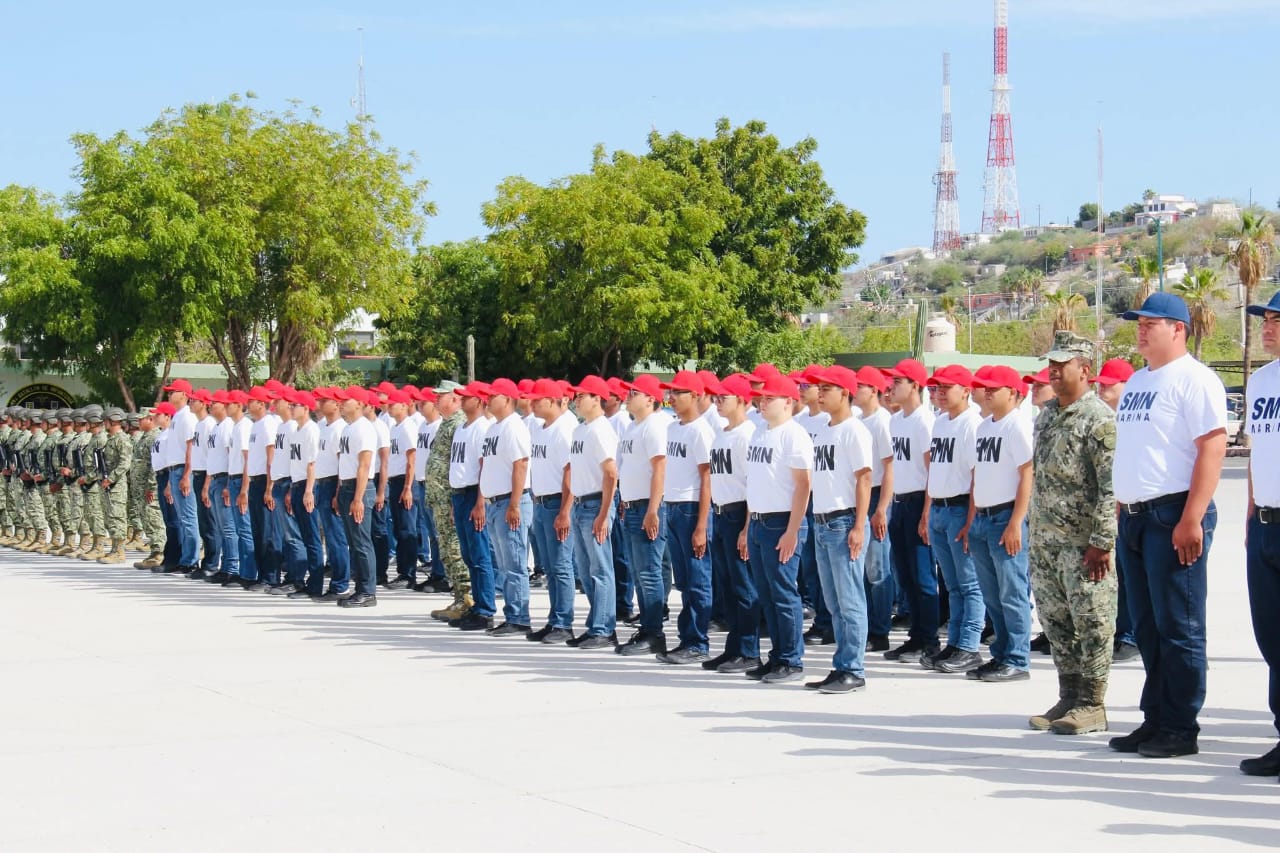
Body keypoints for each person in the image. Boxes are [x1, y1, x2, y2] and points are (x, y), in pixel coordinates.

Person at [1111, 293, 1226, 759]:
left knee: (1179, 625)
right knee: (1147, 626)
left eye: (1150, 323)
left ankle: (1180, 725)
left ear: (1178, 328)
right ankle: (1155, 716)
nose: (1140, 329)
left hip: (1173, 514)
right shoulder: (1138, 380)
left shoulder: (1195, 379)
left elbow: (1212, 447)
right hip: (1136, 516)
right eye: (1138, 323)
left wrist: (1192, 516)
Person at [1026, 332, 1119, 734]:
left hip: (1083, 545)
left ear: (1086, 370)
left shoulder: (1098, 419)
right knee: (1057, 622)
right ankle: (1069, 694)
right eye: (1052, 364)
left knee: (1092, 621)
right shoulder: (1046, 415)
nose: (1054, 371)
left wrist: (1102, 541)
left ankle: (1093, 703)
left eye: (1063, 365)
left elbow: (1109, 486)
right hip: (1046, 541)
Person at [804, 364, 874, 693]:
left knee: (850, 600)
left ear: (845, 393)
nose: (820, 393)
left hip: (843, 520)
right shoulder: (824, 429)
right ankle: (841, 664)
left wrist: (859, 525)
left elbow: (864, 478)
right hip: (821, 521)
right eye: (819, 388)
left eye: (827, 388)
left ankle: (853, 668)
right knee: (832, 602)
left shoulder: (853, 430)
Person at [742, 372, 814, 684]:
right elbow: (753, 484)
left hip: (781, 522)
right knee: (767, 595)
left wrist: (792, 530)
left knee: (784, 593)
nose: (762, 400)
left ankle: (791, 660)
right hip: (759, 521)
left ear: (787, 401)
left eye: (770, 397)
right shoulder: (760, 433)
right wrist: (747, 527)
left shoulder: (793, 435)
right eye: (762, 396)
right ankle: (777, 656)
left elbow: (803, 487)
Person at [967, 366, 1034, 682]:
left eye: (995, 388)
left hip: (1005, 516)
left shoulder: (1017, 425)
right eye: (986, 388)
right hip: (983, 516)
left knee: (1012, 591)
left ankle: (1018, 658)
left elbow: (1027, 474)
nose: (988, 392)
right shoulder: (984, 427)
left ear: (1014, 392)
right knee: (992, 594)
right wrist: (971, 520)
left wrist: (1016, 522)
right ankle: (1001, 653)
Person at [921, 365, 985, 674]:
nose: (941, 393)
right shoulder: (941, 423)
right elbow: (935, 468)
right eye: (938, 387)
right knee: (953, 584)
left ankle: (970, 646)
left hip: (960, 507)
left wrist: (970, 519)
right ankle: (956, 642)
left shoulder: (971, 424)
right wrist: (928, 511)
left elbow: (976, 477)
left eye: (948, 387)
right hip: (940, 509)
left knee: (969, 584)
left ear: (966, 390)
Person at [1242, 290, 1280, 778]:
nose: (1267, 326)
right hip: (1268, 523)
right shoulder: (1260, 381)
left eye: (1276, 319)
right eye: (1265, 319)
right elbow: (1258, 453)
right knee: (1272, 639)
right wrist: (1252, 515)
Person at [656, 370, 716, 664]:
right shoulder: (673, 428)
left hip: (693, 508)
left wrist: (702, 525)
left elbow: (707, 478)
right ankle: (686, 638)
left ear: (695, 396)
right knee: (683, 579)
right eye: (671, 393)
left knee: (697, 578)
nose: (672, 398)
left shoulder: (701, 430)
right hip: (674, 506)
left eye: (678, 393)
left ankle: (697, 641)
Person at [557, 375, 620, 649]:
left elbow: (610, 473)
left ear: (597, 399)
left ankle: (604, 628)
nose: (577, 399)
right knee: (585, 570)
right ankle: (596, 623)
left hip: (597, 503)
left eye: (582, 395)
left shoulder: (600, 429)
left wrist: (605, 514)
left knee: (600, 569)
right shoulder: (580, 430)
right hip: (582, 503)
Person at [883, 359, 938, 664]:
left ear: (915, 385)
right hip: (900, 502)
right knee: (905, 575)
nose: (892, 387)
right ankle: (915, 635)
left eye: (899, 381)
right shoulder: (896, 420)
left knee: (922, 576)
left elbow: (931, 469)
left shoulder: (923, 421)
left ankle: (928, 639)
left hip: (919, 500)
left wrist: (927, 512)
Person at [615, 374, 672, 657]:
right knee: (639, 572)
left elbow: (660, 469)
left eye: (634, 392)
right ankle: (648, 627)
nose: (629, 395)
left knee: (649, 572)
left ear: (651, 398)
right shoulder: (633, 427)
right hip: (632, 506)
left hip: (648, 507)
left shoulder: (654, 427)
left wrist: (653, 509)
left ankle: (654, 633)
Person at [473, 378, 534, 635]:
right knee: (504, 563)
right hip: (495, 502)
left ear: (507, 399)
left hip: (511, 501)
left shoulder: (513, 427)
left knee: (515, 562)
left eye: (493, 395)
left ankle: (519, 617)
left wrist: (514, 503)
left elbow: (520, 464)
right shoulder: (493, 428)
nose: (488, 399)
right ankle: (512, 613)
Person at [1093, 357, 1140, 664]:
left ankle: (1131, 636)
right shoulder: (1109, 421)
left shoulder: (1132, 421)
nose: (1102, 389)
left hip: (1136, 508)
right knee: (1120, 577)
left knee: (1134, 581)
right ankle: (1122, 632)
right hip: (1117, 507)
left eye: (1109, 384)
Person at [525, 378, 578, 644]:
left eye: (537, 399)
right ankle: (554, 619)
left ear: (551, 401)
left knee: (561, 565)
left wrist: (565, 511)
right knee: (550, 565)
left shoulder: (565, 428)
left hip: (559, 503)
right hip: (542, 502)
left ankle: (563, 622)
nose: (532, 403)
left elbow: (570, 472)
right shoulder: (542, 428)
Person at [450, 382, 497, 631]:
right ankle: (477, 604)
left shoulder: (482, 428)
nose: (460, 400)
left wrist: (480, 502)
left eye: (466, 397)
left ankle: (485, 609)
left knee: (479, 555)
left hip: (473, 494)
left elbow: (484, 468)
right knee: (468, 554)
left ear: (479, 401)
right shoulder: (462, 428)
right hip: (459, 494)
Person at [854, 367, 896, 652]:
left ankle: (880, 631)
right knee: (863, 568)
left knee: (877, 568)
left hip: (877, 494)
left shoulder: (882, 421)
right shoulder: (860, 420)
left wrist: (881, 508)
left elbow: (890, 466)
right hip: (862, 495)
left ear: (873, 390)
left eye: (859, 386)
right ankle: (868, 626)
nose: (854, 390)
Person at [426, 381, 473, 621]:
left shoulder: (459, 424)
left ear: (455, 398)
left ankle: (466, 598)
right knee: (446, 549)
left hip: (449, 497)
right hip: (439, 497)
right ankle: (458, 597)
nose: (435, 399)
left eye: (440, 395)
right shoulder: (447, 424)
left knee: (455, 549)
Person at [336, 388, 378, 607]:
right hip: (347, 487)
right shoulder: (348, 429)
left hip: (359, 488)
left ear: (360, 404)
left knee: (362, 541)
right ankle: (359, 587)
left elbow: (364, 465)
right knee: (353, 541)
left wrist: (358, 498)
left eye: (346, 400)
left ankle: (368, 591)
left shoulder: (364, 429)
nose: (341, 403)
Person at [285, 390, 324, 598]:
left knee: (311, 536)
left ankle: (316, 584)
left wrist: (309, 490)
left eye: (295, 405)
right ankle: (308, 580)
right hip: (297, 484)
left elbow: (312, 463)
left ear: (306, 408)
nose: (291, 408)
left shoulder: (311, 430)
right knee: (303, 534)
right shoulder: (296, 430)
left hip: (308, 486)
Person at [162, 379, 201, 575]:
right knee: (182, 517)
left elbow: (190, 447)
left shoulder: (187, 417)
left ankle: (191, 560)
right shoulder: (177, 417)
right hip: (174, 470)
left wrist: (186, 474)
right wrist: (170, 480)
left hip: (183, 471)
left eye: (173, 392)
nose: (169, 395)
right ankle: (185, 558)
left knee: (188, 517)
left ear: (184, 395)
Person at [383, 389, 420, 590]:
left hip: (405, 482)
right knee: (399, 528)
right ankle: (402, 571)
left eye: (393, 403)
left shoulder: (408, 428)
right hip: (395, 481)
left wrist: (407, 487)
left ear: (404, 405)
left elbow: (411, 460)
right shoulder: (395, 428)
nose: (389, 406)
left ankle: (409, 574)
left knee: (407, 529)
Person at [96, 408, 133, 564]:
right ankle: (113, 549)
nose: (104, 424)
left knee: (117, 516)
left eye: (106, 421)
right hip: (108, 484)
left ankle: (119, 552)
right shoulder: (111, 439)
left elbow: (125, 463)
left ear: (113, 420)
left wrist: (111, 478)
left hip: (116, 485)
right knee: (110, 516)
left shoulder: (122, 439)